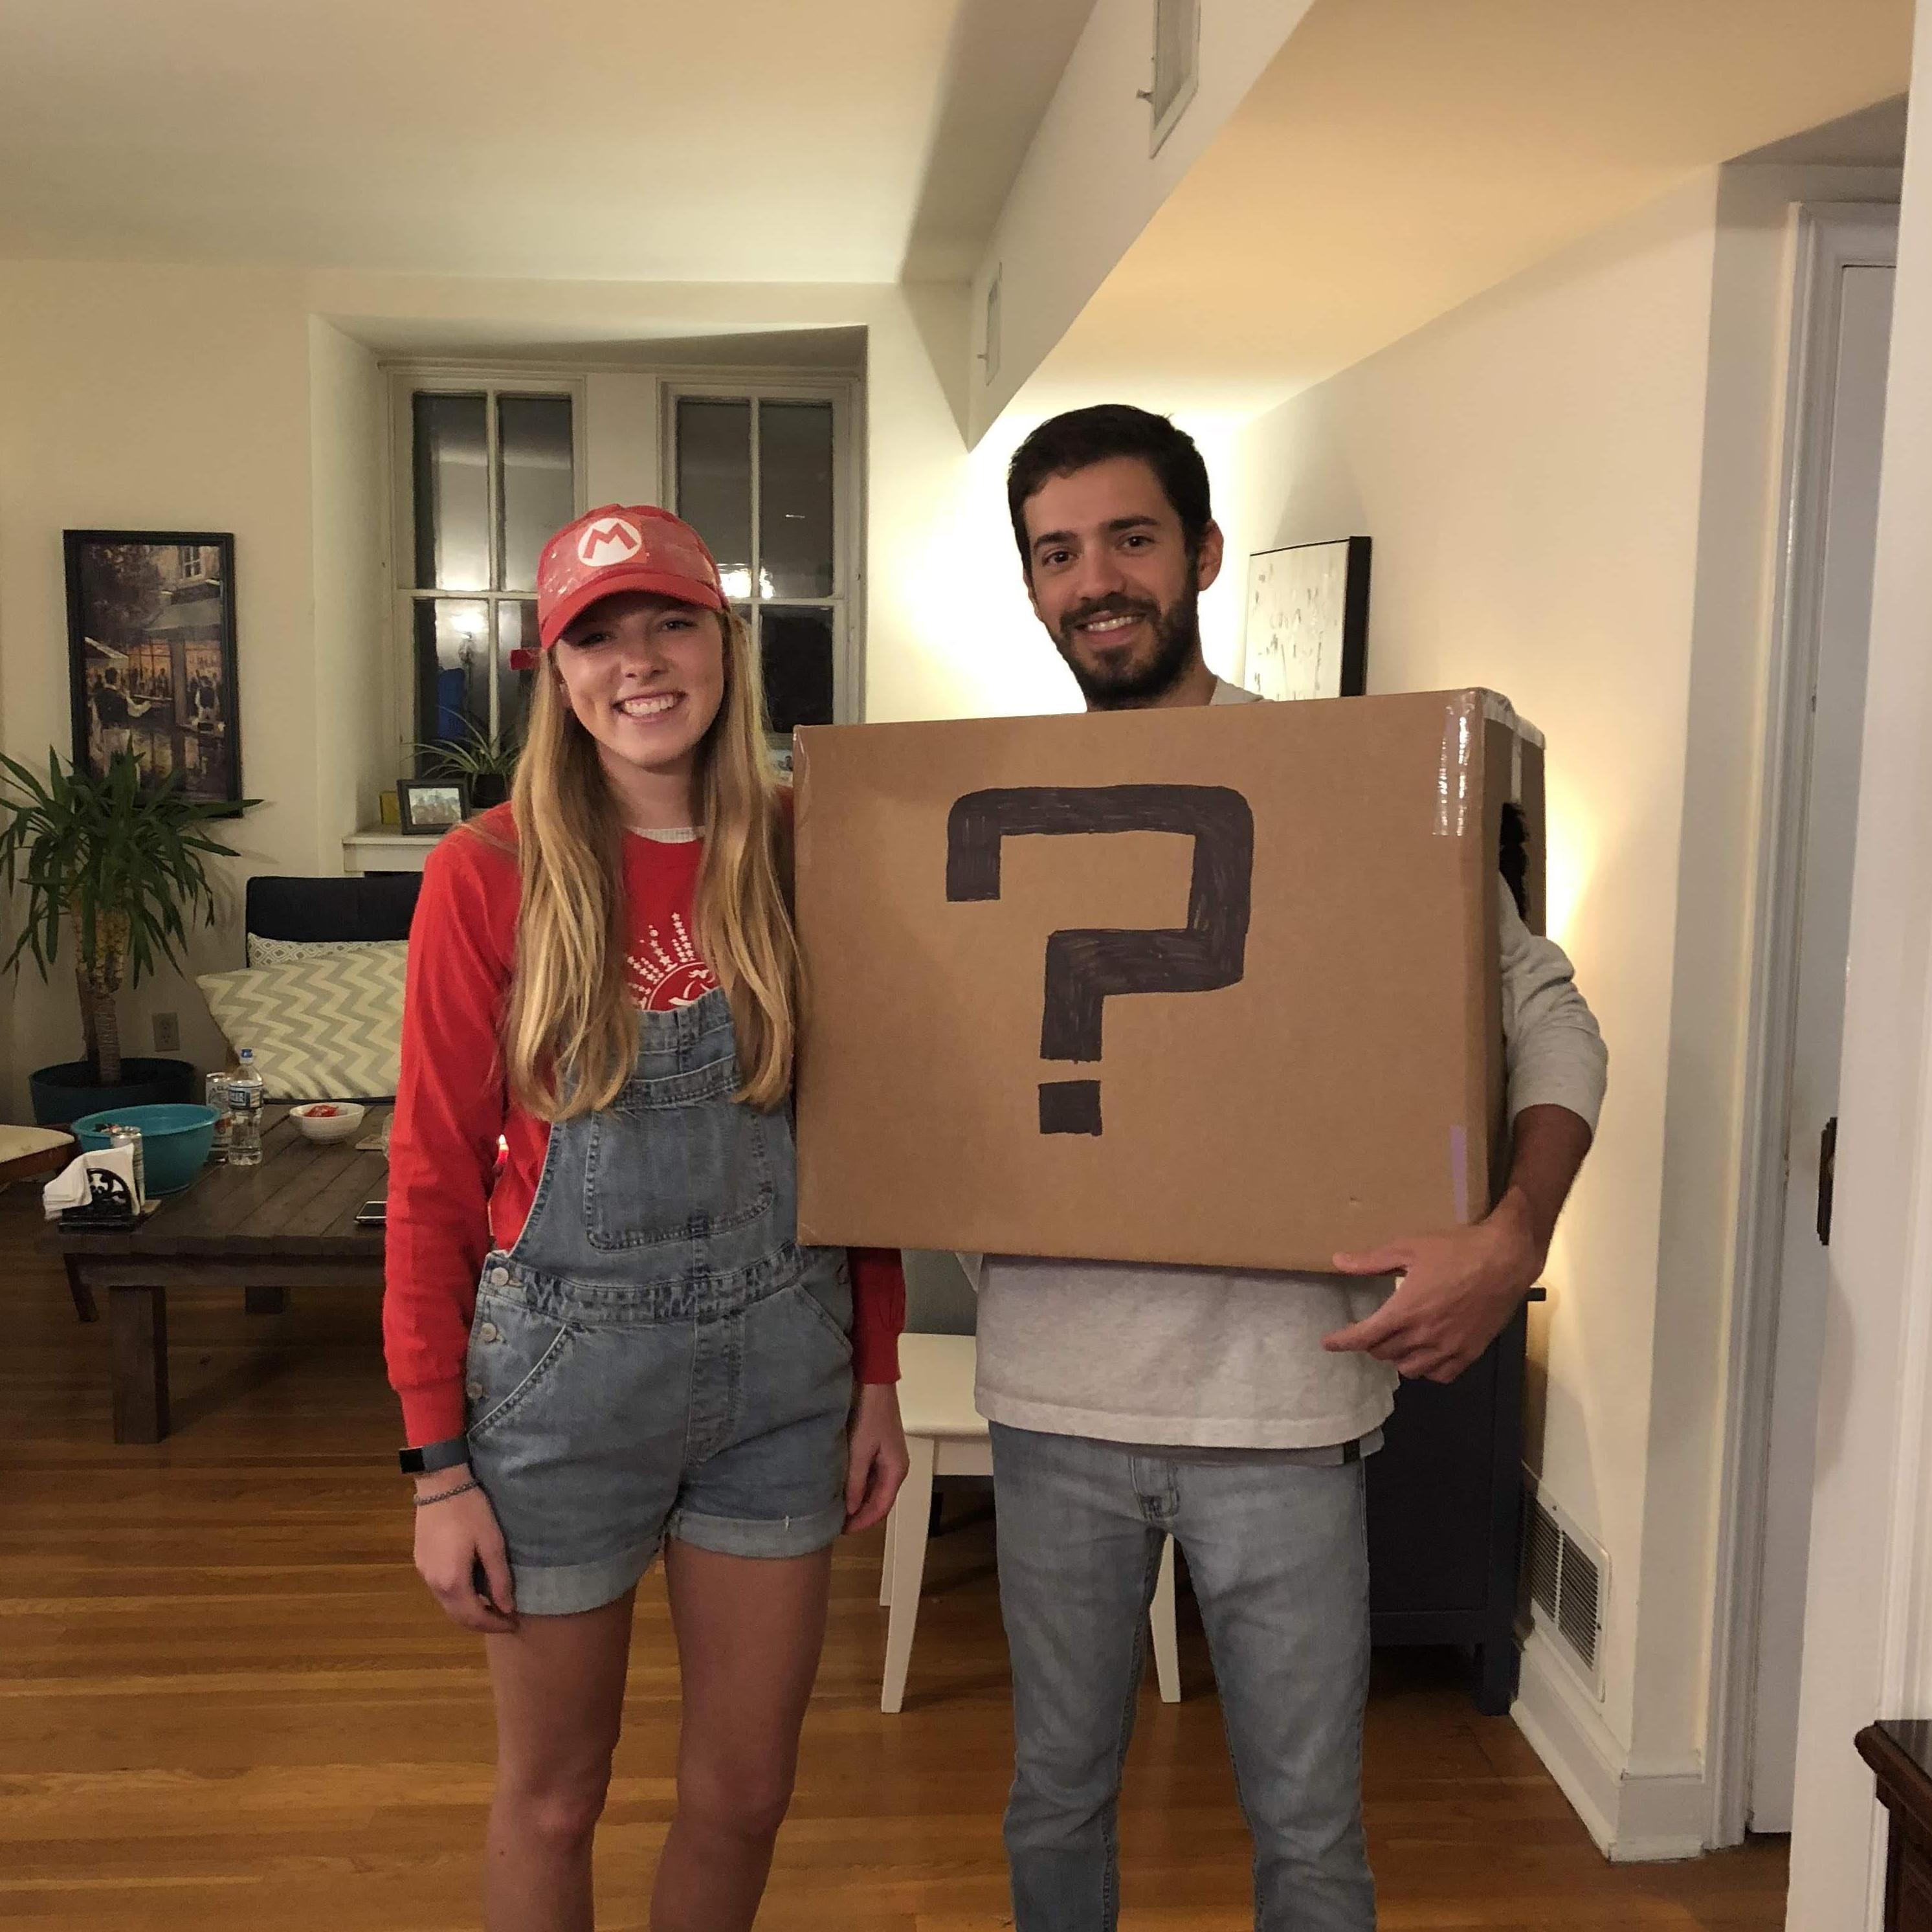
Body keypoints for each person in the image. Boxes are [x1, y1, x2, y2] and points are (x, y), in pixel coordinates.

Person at [976, 405, 1608, 1931]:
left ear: (1198, 553)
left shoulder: (1346, 782)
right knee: (1053, 1798)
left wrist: (1513, 1230)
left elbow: (1547, 1015)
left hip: (1279, 1400)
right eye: (1055, 554)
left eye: (1128, 538)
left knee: (1309, 1831)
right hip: (1052, 1399)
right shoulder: (976, 810)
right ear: (1033, 588)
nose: (1094, 580)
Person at [383, 502, 909, 1932]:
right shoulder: (487, 871)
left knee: (744, 1792)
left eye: (669, 621)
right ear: (554, 676)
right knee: (555, 1793)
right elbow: (429, 1172)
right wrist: (437, 1465)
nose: (639, 662)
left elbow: (857, 1136)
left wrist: (876, 1371)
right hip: (560, 1388)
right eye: (595, 637)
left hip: (779, 1374)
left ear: (723, 643)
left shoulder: (808, 848)